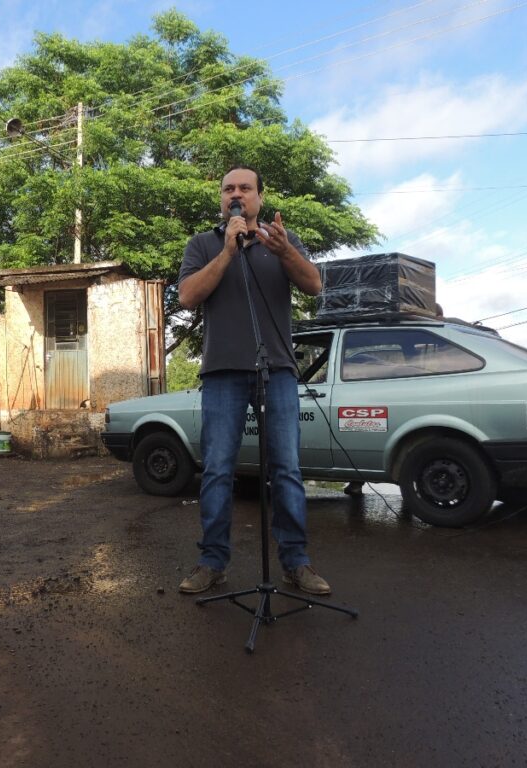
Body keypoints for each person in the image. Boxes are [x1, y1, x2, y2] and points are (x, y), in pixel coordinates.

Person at [176, 166, 330, 596]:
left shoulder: (281, 239)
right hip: (222, 373)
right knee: (217, 469)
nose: (236, 194)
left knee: (286, 468)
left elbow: (314, 285)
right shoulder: (203, 244)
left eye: (245, 188)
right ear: (221, 199)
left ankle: (296, 562)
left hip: (276, 370)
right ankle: (212, 562)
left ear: (259, 197)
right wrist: (227, 251)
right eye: (229, 189)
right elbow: (187, 296)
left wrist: (285, 252)